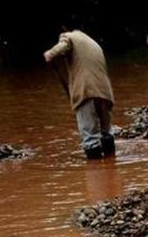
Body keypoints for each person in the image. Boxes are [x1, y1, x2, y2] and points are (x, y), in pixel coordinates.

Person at [44, 23, 115, 160]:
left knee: (90, 139)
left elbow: (61, 47)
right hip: (104, 91)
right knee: (107, 133)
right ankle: (111, 168)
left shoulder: (68, 36)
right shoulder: (92, 42)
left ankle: (96, 175)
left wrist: (49, 54)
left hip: (86, 91)